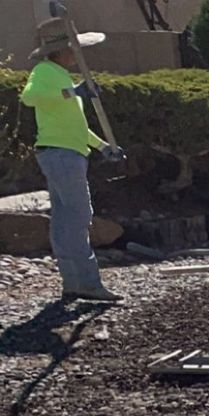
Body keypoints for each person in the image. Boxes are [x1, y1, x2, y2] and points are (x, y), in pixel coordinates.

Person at [22, 19, 126, 303]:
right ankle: (88, 283)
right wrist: (72, 92)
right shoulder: (44, 71)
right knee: (79, 216)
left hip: (66, 152)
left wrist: (104, 147)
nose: (74, 55)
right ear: (62, 51)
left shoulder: (61, 76)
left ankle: (73, 282)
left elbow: (76, 126)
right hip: (60, 154)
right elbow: (30, 97)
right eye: (72, 49)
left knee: (65, 218)